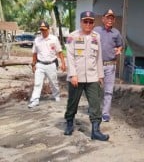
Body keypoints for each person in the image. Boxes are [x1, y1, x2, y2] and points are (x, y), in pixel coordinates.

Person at [64, 11, 109, 141]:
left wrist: (100, 75)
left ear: (94, 23)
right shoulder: (72, 36)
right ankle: (69, 123)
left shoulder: (97, 37)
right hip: (76, 77)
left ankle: (95, 130)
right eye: (85, 21)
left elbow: (99, 56)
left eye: (90, 21)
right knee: (72, 102)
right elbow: (70, 57)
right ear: (81, 22)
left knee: (95, 104)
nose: (88, 24)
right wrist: (72, 75)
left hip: (92, 76)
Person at [28, 21, 66, 108]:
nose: (43, 31)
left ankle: (56, 96)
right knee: (37, 83)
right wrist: (33, 65)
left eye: (44, 29)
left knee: (54, 82)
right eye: (41, 30)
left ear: (48, 29)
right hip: (40, 64)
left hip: (51, 64)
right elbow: (34, 53)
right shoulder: (37, 40)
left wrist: (63, 63)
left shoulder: (54, 39)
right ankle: (35, 100)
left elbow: (59, 52)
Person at [94, 9, 123, 122]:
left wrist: (119, 50)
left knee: (108, 91)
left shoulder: (116, 32)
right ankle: (95, 109)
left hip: (110, 65)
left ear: (114, 20)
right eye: (108, 17)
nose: (110, 20)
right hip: (97, 65)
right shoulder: (96, 30)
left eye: (112, 18)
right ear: (103, 19)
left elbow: (120, 45)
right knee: (95, 89)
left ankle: (105, 113)